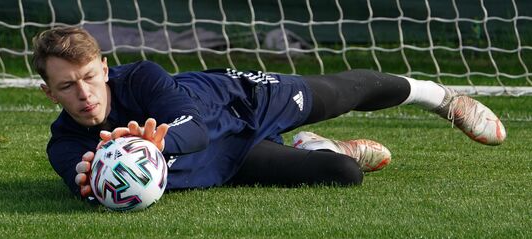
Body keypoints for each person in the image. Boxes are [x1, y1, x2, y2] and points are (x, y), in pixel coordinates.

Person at [32, 26, 506, 201]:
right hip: (226, 163)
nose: (85, 94)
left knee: (342, 92)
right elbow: (83, 182)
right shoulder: (67, 145)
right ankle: (319, 149)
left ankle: (439, 98)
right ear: (49, 92)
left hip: (238, 102)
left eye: (91, 77)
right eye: (68, 86)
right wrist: (92, 182)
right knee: (342, 174)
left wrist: (154, 143)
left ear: (105, 69)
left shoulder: (142, 79)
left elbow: (193, 132)